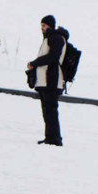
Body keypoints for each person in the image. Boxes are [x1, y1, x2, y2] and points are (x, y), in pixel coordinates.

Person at [26, 15, 66, 146]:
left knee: (51, 110)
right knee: (47, 110)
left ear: (50, 25)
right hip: (45, 80)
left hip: (51, 80)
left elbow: (52, 58)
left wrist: (35, 63)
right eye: (41, 26)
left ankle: (54, 139)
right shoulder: (48, 38)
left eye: (44, 26)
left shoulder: (56, 39)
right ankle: (50, 137)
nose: (42, 28)